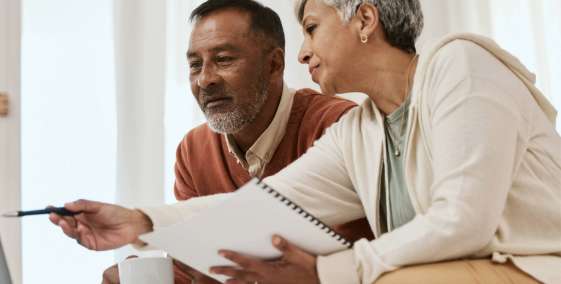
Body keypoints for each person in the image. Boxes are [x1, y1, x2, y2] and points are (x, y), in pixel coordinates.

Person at [52, 0, 561, 283]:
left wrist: (328, 273)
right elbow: (262, 205)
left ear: (364, 19)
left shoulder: (458, 64)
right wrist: (141, 222)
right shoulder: (361, 130)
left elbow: (463, 221)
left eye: (312, 28)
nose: (302, 53)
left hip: (525, 271)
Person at [98, 1, 373, 283]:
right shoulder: (193, 151)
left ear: (274, 66)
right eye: (195, 65)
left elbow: (355, 264)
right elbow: (194, 268)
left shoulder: (339, 128)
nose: (204, 80)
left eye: (223, 59)